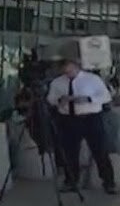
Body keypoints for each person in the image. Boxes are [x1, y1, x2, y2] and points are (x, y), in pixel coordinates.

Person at [46, 56, 116, 194]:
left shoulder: (92, 79)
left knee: (99, 150)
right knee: (70, 152)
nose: (68, 74)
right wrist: (61, 100)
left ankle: (108, 182)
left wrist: (88, 99)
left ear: (76, 67)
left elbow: (106, 96)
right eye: (65, 72)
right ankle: (71, 180)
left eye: (70, 71)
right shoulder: (57, 82)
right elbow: (51, 99)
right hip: (68, 118)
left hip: (91, 117)